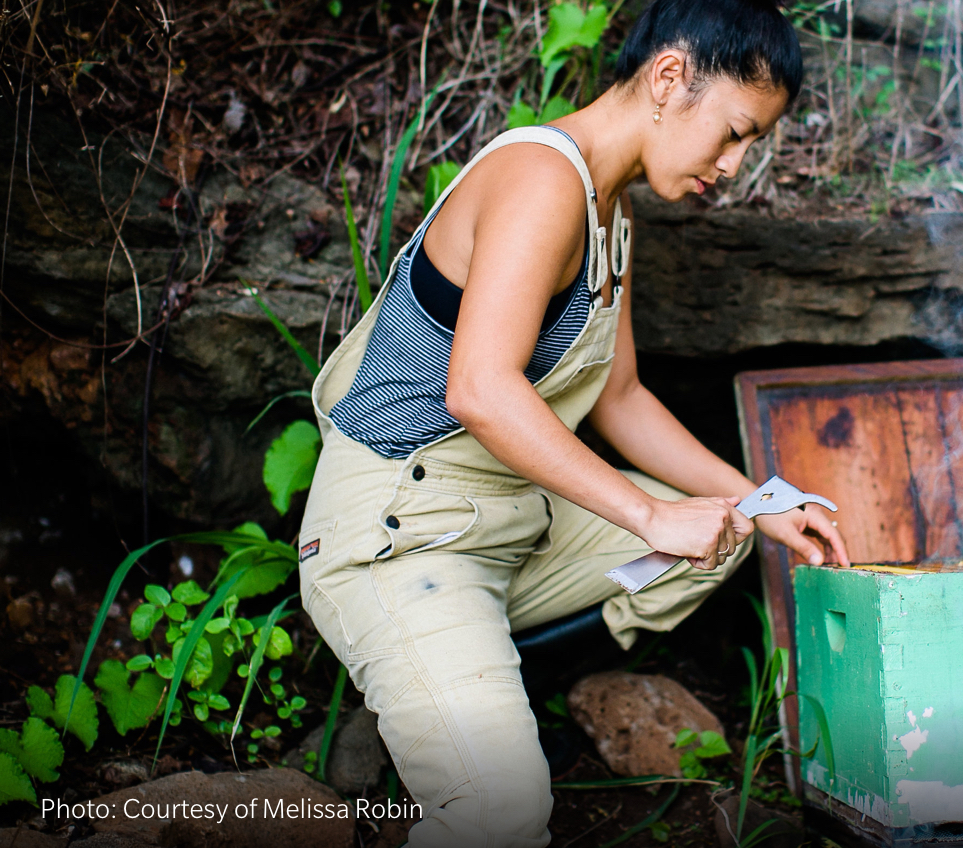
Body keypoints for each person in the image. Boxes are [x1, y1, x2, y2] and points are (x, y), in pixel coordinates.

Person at [299, 0, 850, 844]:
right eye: (736, 132)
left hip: (508, 523)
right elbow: (479, 390)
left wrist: (764, 499)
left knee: (727, 530)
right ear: (670, 77)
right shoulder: (541, 179)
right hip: (401, 526)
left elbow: (620, 400)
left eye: (753, 144)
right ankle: (449, 682)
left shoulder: (609, 212)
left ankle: (472, 674)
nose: (736, 165)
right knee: (502, 815)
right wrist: (649, 513)